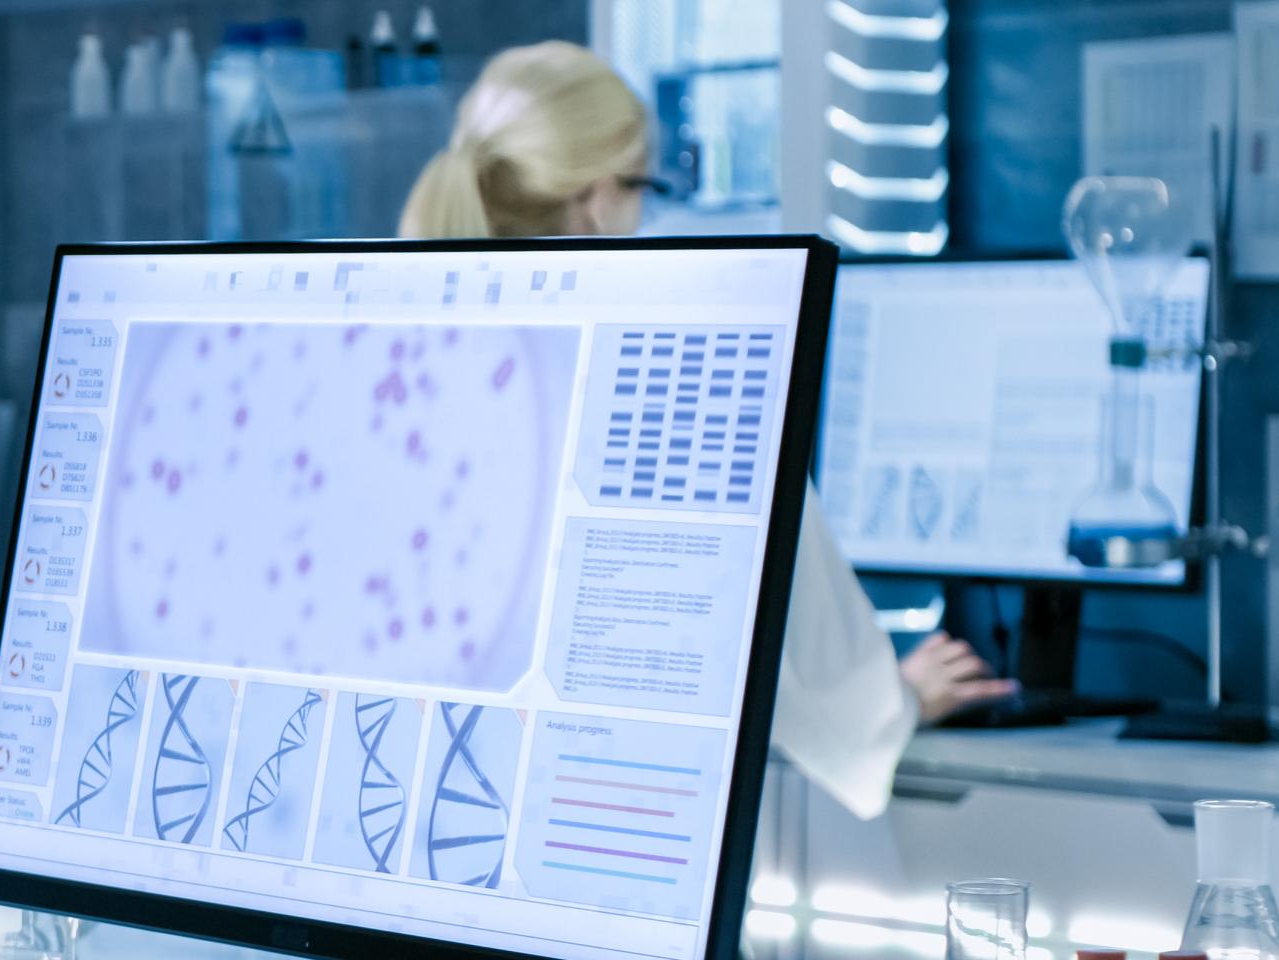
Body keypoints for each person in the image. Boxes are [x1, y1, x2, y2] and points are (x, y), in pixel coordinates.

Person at [397, 42, 1013, 819]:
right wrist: (901, 698)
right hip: (613, 838)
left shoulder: (409, 371)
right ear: (597, 198)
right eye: (644, 186)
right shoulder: (679, 387)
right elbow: (821, 682)